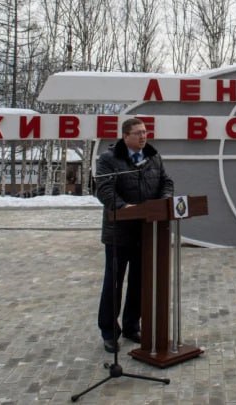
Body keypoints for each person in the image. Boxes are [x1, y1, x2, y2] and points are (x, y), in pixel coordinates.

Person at [94, 117, 173, 354]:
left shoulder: (153, 156)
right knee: (114, 282)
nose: (143, 136)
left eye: (145, 131)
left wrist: (164, 201)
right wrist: (122, 206)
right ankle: (109, 331)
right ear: (125, 136)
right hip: (119, 231)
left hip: (146, 230)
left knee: (140, 280)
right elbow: (104, 189)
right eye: (138, 133)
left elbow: (166, 182)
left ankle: (131, 325)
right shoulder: (109, 159)